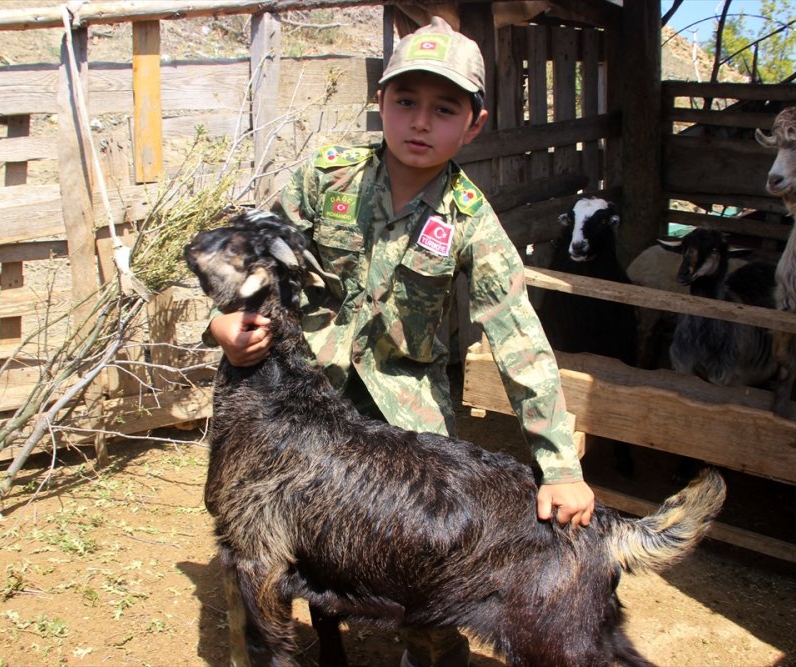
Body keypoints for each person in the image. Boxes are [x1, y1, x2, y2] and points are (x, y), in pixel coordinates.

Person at [206, 16, 595, 667]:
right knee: (257, 550)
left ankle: (436, 654)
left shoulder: (470, 219)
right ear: (380, 102)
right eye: (405, 101)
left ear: (474, 123)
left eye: (443, 109)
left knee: (427, 564)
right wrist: (224, 320)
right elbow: (251, 253)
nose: (420, 122)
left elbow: (520, 338)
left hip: (403, 418)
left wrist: (558, 464)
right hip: (297, 408)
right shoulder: (327, 179)